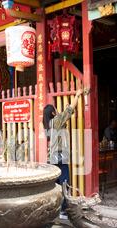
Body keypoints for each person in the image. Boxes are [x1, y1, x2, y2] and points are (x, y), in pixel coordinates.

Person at [43, 88, 84, 218]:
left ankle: (54, 209)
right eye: (55, 109)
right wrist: (77, 95)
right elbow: (69, 110)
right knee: (65, 182)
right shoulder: (56, 120)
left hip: (52, 157)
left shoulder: (48, 123)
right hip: (59, 156)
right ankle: (63, 210)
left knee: (56, 184)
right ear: (53, 112)